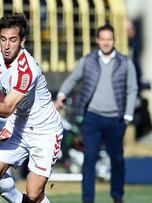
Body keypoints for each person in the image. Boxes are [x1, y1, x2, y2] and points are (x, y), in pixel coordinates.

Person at [0, 13, 63, 203]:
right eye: (3, 39)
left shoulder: (27, 71)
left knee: (33, 193)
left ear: (22, 40)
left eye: (13, 40)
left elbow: (7, 108)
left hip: (45, 131)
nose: (7, 46)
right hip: (18, 125)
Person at [54, 24, 138, 203]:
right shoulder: (88, 60)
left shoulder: (125, 62)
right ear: (98, 40)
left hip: (116, 118)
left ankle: (117, 196)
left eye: (109, 39)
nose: (106, 43)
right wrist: (61, 95)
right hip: (92, 117)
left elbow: (132, 89)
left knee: (116, 159)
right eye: (103, 39)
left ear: (114, 40)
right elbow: (73, 78)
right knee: (89, 159)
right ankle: (88, 200)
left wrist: (128, 116)